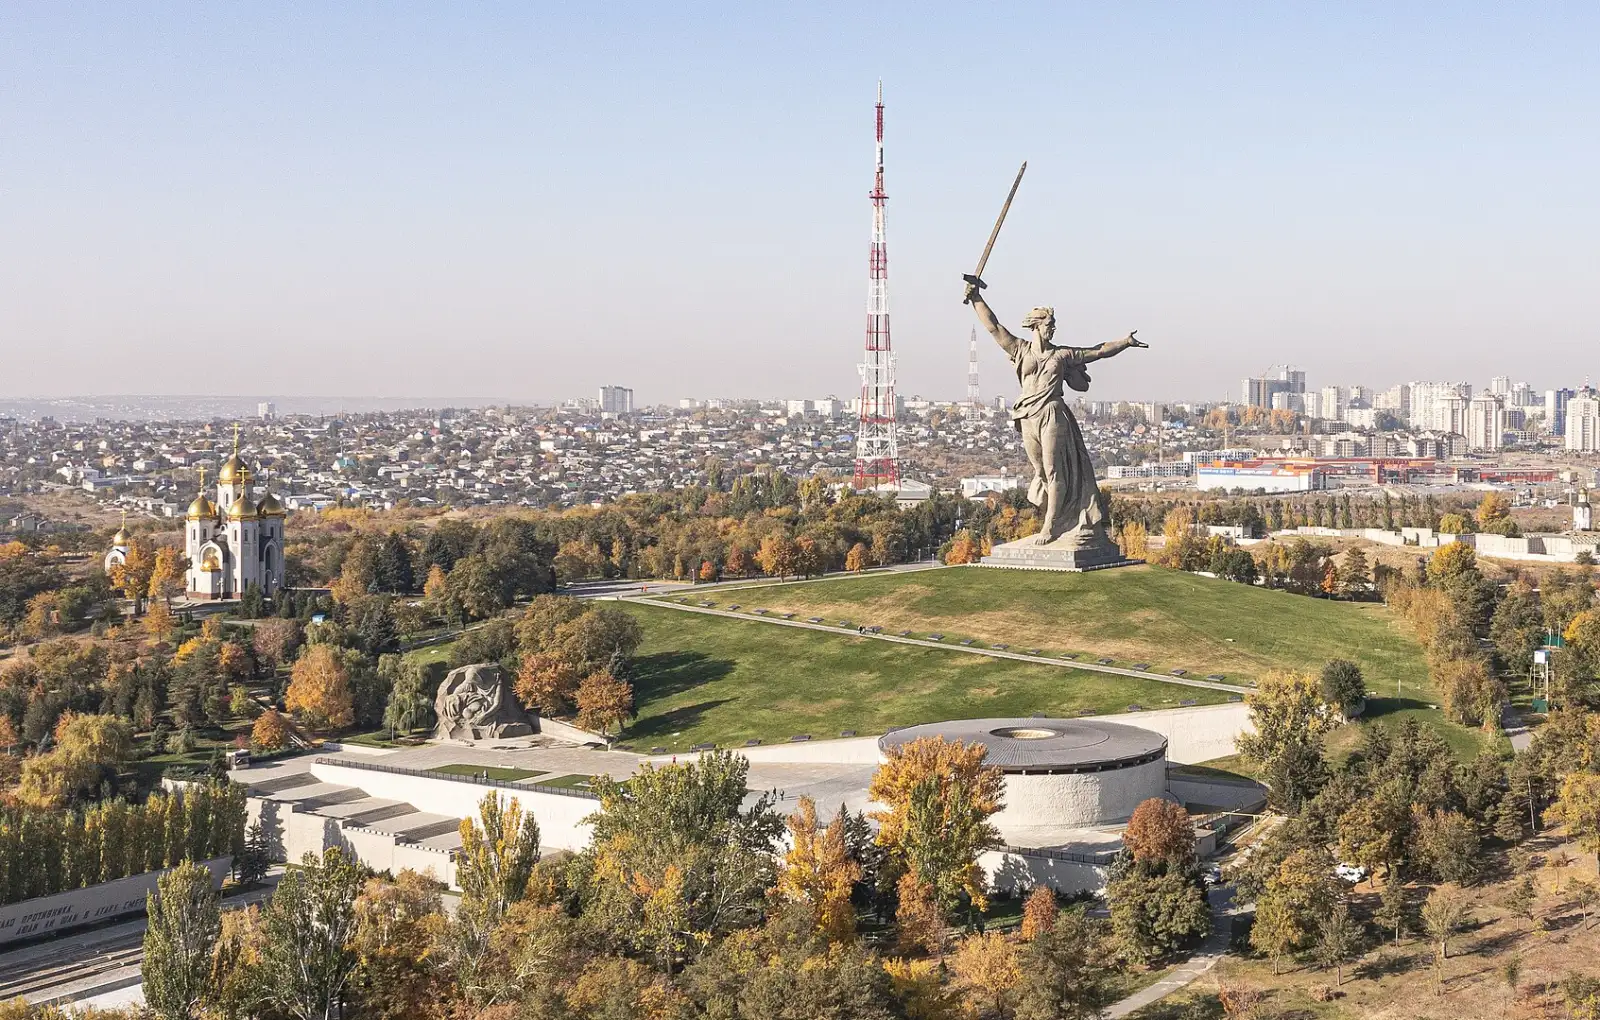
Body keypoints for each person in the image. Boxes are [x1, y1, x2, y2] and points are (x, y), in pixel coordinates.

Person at [964, 276, 1146, 545]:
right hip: (1027, 416)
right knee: (1040, 472)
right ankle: (1063, 515)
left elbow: (1098, 351)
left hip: (1052, 413)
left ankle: (1050, 525)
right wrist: (976, 297)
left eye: (1053, 324)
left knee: (1053, 470)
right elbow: (994, 327)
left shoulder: (1062, 355)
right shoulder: (1020, 349)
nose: (1053, 328)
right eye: (1050, 324)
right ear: (1036, 326)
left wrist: (1125, 342)